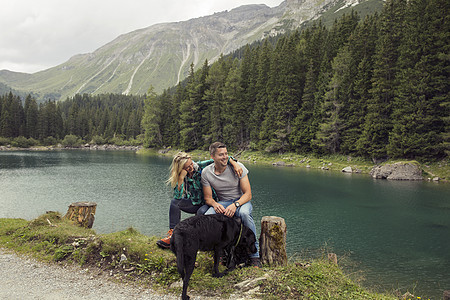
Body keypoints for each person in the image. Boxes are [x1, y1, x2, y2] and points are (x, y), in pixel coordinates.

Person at [157, 151, 242, 249]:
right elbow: (177, 196)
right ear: (181, 169)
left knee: (200, 212)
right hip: (194, 202)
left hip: (208, 202)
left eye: (191, 163)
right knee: (174, 203)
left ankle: (196, 240)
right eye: (187, 167)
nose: (191, 167)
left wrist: (235, 164)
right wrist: (181, 178)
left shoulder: (200, 166)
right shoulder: (181, 175)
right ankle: (173, 235)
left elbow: (224, 158)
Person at [201, 142, 261, 267]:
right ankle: (219, 251)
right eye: (221, 155)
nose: (225, 157)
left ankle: (254, 256)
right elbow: (208, 198)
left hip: (241, 201)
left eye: (226, 154)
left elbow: (248, 195)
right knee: (208, 217)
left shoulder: (238, 167)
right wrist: (215, 204)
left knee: (244, 214)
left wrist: (236, 205)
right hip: (223, 203)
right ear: (212, 157)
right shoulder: (206, 172)